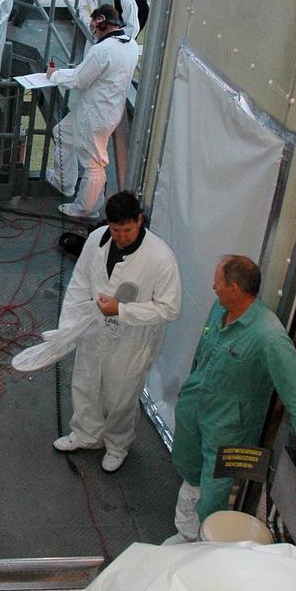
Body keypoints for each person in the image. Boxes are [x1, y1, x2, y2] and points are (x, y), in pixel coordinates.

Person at [167, 255, 296, 542]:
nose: (213, 287)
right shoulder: (220, 309)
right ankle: (186, 534)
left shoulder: (270, 338)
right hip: (195, 412)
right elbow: (201, 355)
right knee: (190, 471)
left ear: (234, 288)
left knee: (214, 493)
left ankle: (207, 548)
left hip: (228, 430)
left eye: (217, 282)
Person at [49, 191, 181, 472]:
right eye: (116, 229)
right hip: (94, 331)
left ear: (140, 221)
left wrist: (121, 311)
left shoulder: (160, 258)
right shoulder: (97, 241)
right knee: (85, 383)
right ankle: (86, 434)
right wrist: (67, 329)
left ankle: (117, 444)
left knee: (120, 396)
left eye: (128, 230)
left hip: (132, 342)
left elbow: (170, 309)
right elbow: (80, 283)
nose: (121, 236)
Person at [45, 3, 139, 219]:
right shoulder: (131, 45)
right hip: (107, 111)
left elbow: (79, 79)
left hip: (94, 113)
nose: (93, 31)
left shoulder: (102, 50)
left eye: (95, 27)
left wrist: (55, 75)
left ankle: (86, 208)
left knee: (94, 162)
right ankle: (64, 182)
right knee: (62, 132)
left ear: (102, 22)